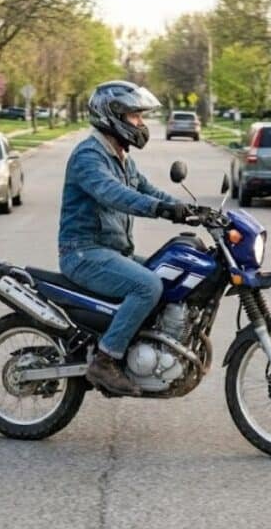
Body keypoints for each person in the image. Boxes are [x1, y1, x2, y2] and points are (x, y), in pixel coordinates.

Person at [58, 80, 193, 395]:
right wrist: (160, 209)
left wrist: (185, 209)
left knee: (171, 275)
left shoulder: (120, 156)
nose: (141, 124)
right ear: (113, 115)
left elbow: (144, 188)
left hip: (111, 252)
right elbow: (114, 193)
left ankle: (146, 347)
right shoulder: (89, 156)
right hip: (83, 253)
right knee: (147, 285)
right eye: (136, 116)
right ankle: (105, 360)